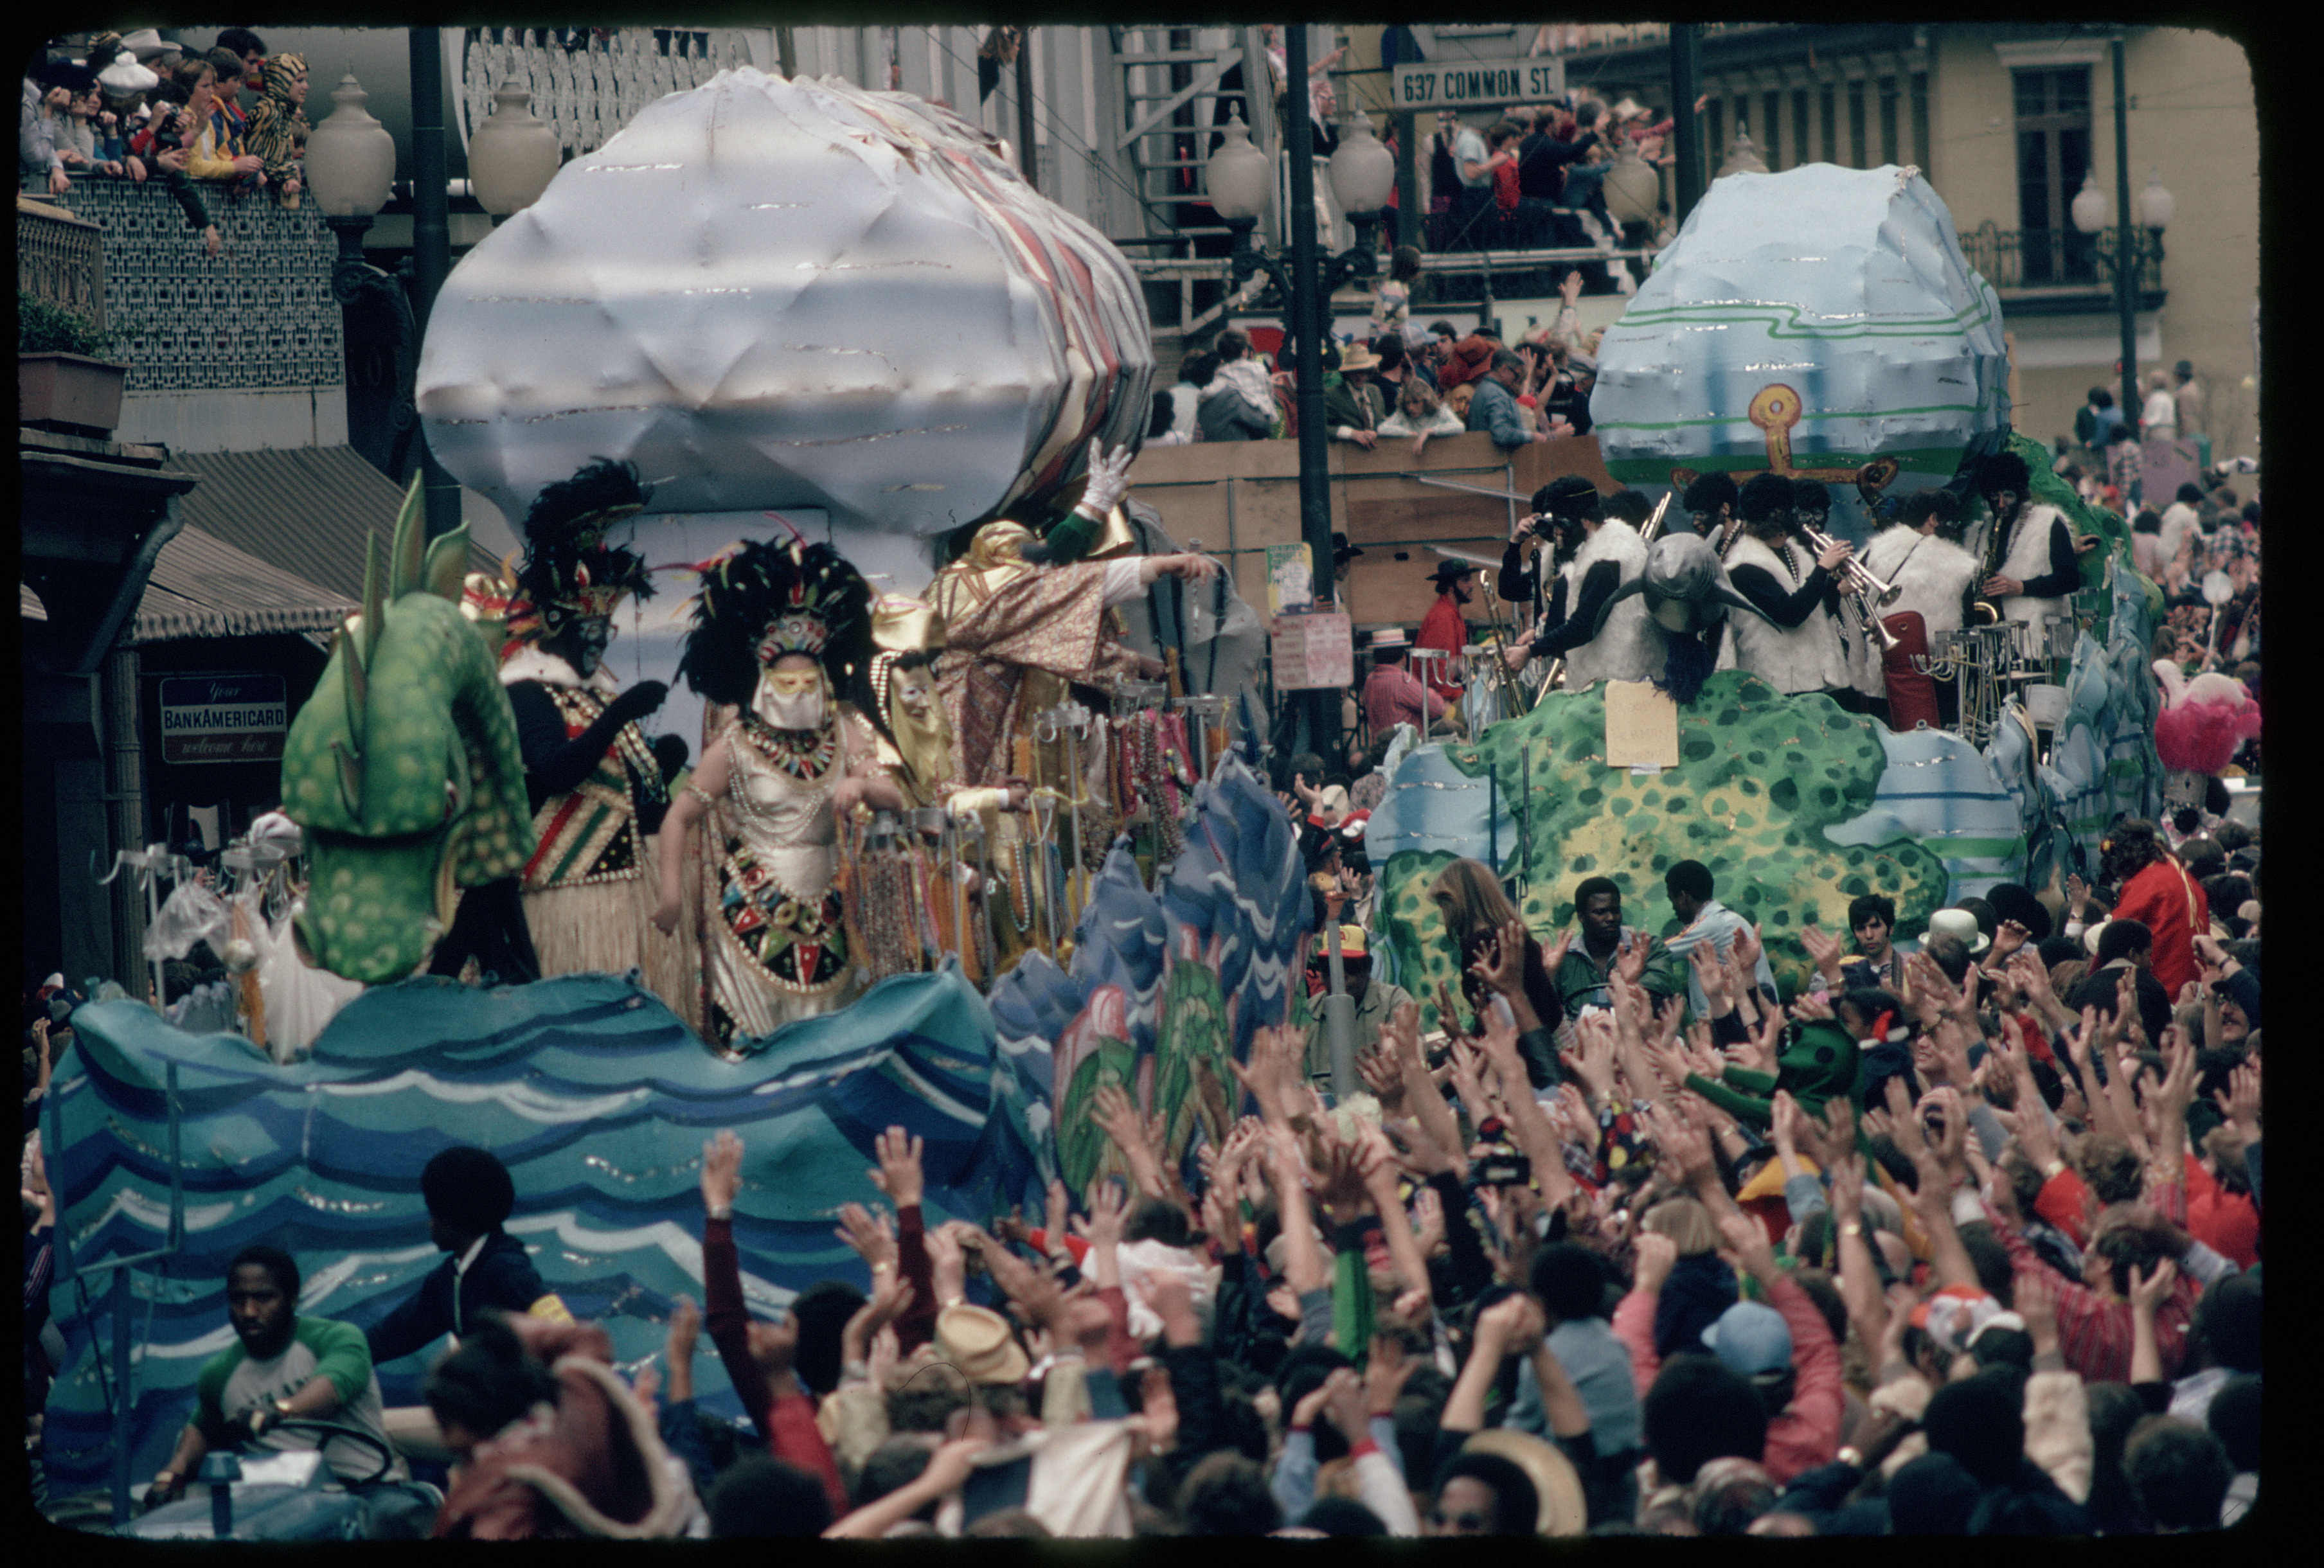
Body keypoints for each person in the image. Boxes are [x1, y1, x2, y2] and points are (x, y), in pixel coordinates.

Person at [654, 537, 884, 1047]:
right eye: (787, 685)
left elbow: (895, 795)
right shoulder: (733, 748)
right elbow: (679, 817)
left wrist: (862, 781)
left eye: (809, 685)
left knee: (832, 1043)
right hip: (750, 914)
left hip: (831, 913)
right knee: (752, 1047)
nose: (800, 695)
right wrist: (670, 892)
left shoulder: (843, 732)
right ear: (763, 683)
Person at [489, 460, 690, 1015]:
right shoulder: (528, 691)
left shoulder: (589, 690)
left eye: (606, 631)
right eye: (589, 631)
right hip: (573, 893)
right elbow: (555, 770)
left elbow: (614, 778)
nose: (599, 643)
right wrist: (619, 714)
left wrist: (659, 764)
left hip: (630, 890)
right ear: (558, 628)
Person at [146, 1246, 409, 1508]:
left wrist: (279, 1410)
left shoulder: (339, 1339)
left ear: (293, 1299)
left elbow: (332, 1389)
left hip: (367, 1492)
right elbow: (203, 1428)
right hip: (276, 1504)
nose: (249, 1311)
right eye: (238, 1300)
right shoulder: (218, 1373)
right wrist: (172, 1475)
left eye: (263, 1298)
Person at [427, 1312, 697, 1538]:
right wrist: (504, 1331)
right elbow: (586, 1337)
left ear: (472, 1417)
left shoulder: (500, 1489)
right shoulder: (580, 1396)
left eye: (444, 1419)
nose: (443, 1435)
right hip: (682, 1514)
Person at [365, 1146, 572, 1370]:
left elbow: (566, 1338)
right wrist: (348, 1349)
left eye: (434, 1213)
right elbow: (396, 1333)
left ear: (454, 1217)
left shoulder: (506, 1269)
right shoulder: (450, 1279)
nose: (430, 1224)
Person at [1500, 477, 1654, 692]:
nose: (1558, 536)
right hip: (1605, 680)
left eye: (1562, 527)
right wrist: (1515, 544)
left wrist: (1530, 651)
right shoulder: (1596, 550)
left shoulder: (1608, 559)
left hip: (1616, 681)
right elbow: (1511, 589)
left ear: (1584, 520)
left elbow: (1583, 625)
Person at [1719, 474, 1852, 697]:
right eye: (1793, 510)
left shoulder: (1794, 552)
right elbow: (1790, 614)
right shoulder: (1743, 566)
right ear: (1778, 515)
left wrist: (1834, 580)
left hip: (1814, 680)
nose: (1799, 517)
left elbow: (1819, 611)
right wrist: (1823, 569)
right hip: (1777, 686)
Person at [1859, 488, 1980, 730]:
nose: (1954, 528)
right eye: (1951, 521)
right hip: (1937, 672)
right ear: (1933, 519)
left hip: (1882, 667)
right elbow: (1969, 627)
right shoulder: (1962, 565)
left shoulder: (1875, 551)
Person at [2100, 819, 2210, 995]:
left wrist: (2090, 983)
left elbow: (2114, 940)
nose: (2122, 881)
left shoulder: (2147, 883)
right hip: (2194, 984)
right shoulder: (2175, 869)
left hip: (2163, 987)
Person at [1548, 875, 1683, 1018]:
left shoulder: (1651, 949)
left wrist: (1630, 985)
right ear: (1581, 916)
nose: (1611, 918)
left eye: (1615, 911)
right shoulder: (1564, 958)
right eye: (1600, 912)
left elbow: (1657, 989)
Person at [1661, 860, 1776, 1018]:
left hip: (1744, 1022)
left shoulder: (1711, 925)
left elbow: (1658, 952)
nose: (1673, 907)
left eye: (1672, 899)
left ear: (1683, 897)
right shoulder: (1727, 920)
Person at [1300, 925, 1412, 1086]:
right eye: (1331, 968)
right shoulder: (1309, 1013)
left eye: (1351, 966)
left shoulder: (1394, 1002)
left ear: (1368, 967)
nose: (1342, 975)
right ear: (1322, 973)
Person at [1359, 627, 1453, 738]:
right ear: (1403, 657)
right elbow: (1437, 707)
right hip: (1405, 749)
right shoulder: (1402, 680)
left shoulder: (1370, 680)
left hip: (1381, 747)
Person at [239, 51, 304, 206]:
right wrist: (289, 174)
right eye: (299, 81)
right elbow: (262, 160)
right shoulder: (267, 112)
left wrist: (290, 176)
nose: (306, 86)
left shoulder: (282, 114)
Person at [1416, 561, 1478, 704]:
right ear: (1451, 586)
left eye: (1470, 579)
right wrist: (1453, 703)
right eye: (1465, 580)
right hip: (1442, 702)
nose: (1472, 585)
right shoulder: (1444, 616)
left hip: (1445, 696)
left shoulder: (1450, 612)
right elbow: (1439, 671)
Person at [1465, 350, 1546, 450]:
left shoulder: (1485, 389)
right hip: (1496, 461)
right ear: (1503, 371)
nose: (1516, 381)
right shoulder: (1495, 394)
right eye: (1517, 376)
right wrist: (1530, 436)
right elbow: (1501, 433)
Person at [1379, 378, 1465, 459]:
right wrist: (1407, 433)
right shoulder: (1403, 414)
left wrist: (1429, 431)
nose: (1411, 408)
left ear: (1426, 401)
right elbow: (1382, 429)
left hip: (1439, 458)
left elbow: (1459, 426)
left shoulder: (1440, 410)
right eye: (1407, 403)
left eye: (1416, 402)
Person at [1323, 342, 1388, 450]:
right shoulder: (1332, 394)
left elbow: (1382, 422)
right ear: (1347, 372)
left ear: (1369, 371)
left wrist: (1376, 433)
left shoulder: (1375, 391)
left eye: (1362, 372)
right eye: (1354, 372)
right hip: (1346, 456)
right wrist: (1351, 434)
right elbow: (1318, 428)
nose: (1359, 377)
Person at [2140, 369, 2177, 442]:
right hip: (2169, 432)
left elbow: (2156, 418)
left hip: (2158, 433)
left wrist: (2144, 422)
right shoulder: (2168, 397)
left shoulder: (2157, 398)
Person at [2172, 361, 2204, 444]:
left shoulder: (2184, 393)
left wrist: (2183, 437)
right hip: (2195, 430)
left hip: (2187, 434)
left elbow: (2185, 416)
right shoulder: (2194, 388)